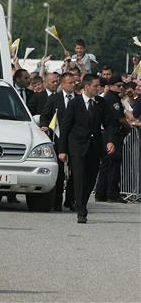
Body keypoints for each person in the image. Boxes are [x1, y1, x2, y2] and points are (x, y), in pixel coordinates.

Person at [58, 74, 116, 224]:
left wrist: (110, 141)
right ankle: (81, 210)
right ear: (87, 86)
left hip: (95, 146)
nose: (99, 89)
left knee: (90, 178)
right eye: (96, 86)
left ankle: (80, 202)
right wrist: (62, 150)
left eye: (99, 86)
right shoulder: (75, 103)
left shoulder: (101, 103)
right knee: (79, 176)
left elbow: (109, 123)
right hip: (77, 146)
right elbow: (65, 126)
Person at [41, 72, 77, 211]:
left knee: (75, 172)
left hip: (74, 141)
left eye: (74, 82)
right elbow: (45, 115)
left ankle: (71, 200)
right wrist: (44, 126)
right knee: (59, 173)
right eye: (70, 83)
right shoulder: (54, 99)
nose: (73, 85)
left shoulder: (78, 99)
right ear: (62, 84)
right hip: (58, 139)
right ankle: (56, 202)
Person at [95, 76, 129, 203]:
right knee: (113, 164)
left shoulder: (109, 98)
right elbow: (120, 119)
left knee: (106, 164)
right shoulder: (112, 98)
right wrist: (128, 128)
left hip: (107, 134)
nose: (121, 88)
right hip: (112, 135)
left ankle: (101, 192)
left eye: (122, 86)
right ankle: (112, 193)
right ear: (111, 86)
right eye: (118, 85)